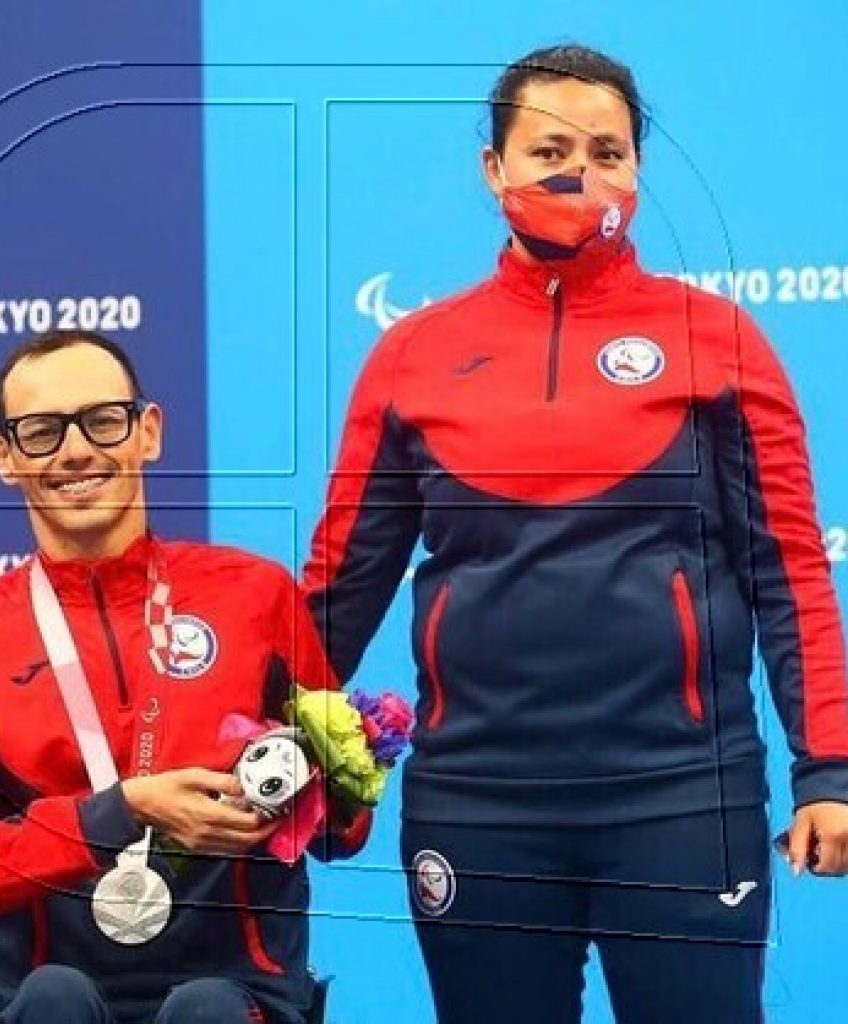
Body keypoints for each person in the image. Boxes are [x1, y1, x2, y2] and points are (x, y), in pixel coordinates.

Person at [303, 44, 848, 1023]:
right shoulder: (413, 357)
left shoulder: (715, 341)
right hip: (477, 803)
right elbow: (339, 587)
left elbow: (789, 569)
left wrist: (829, 770)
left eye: (605, 151)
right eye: (548, 147)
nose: (577, 173)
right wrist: (286, 753)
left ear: (637, 171)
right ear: (493, 168)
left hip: (683, 797)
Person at [0, 330, 369, 1024]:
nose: (76, 449)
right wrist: (125, 810)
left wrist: (304, 790)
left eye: (103, 420)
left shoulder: (255, 596)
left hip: (236, 993)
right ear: (3, 456)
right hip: (40, 995)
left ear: (147, 432)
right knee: (54, 1003)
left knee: (207, 1013)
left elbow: (346, 831)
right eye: (41, 431)